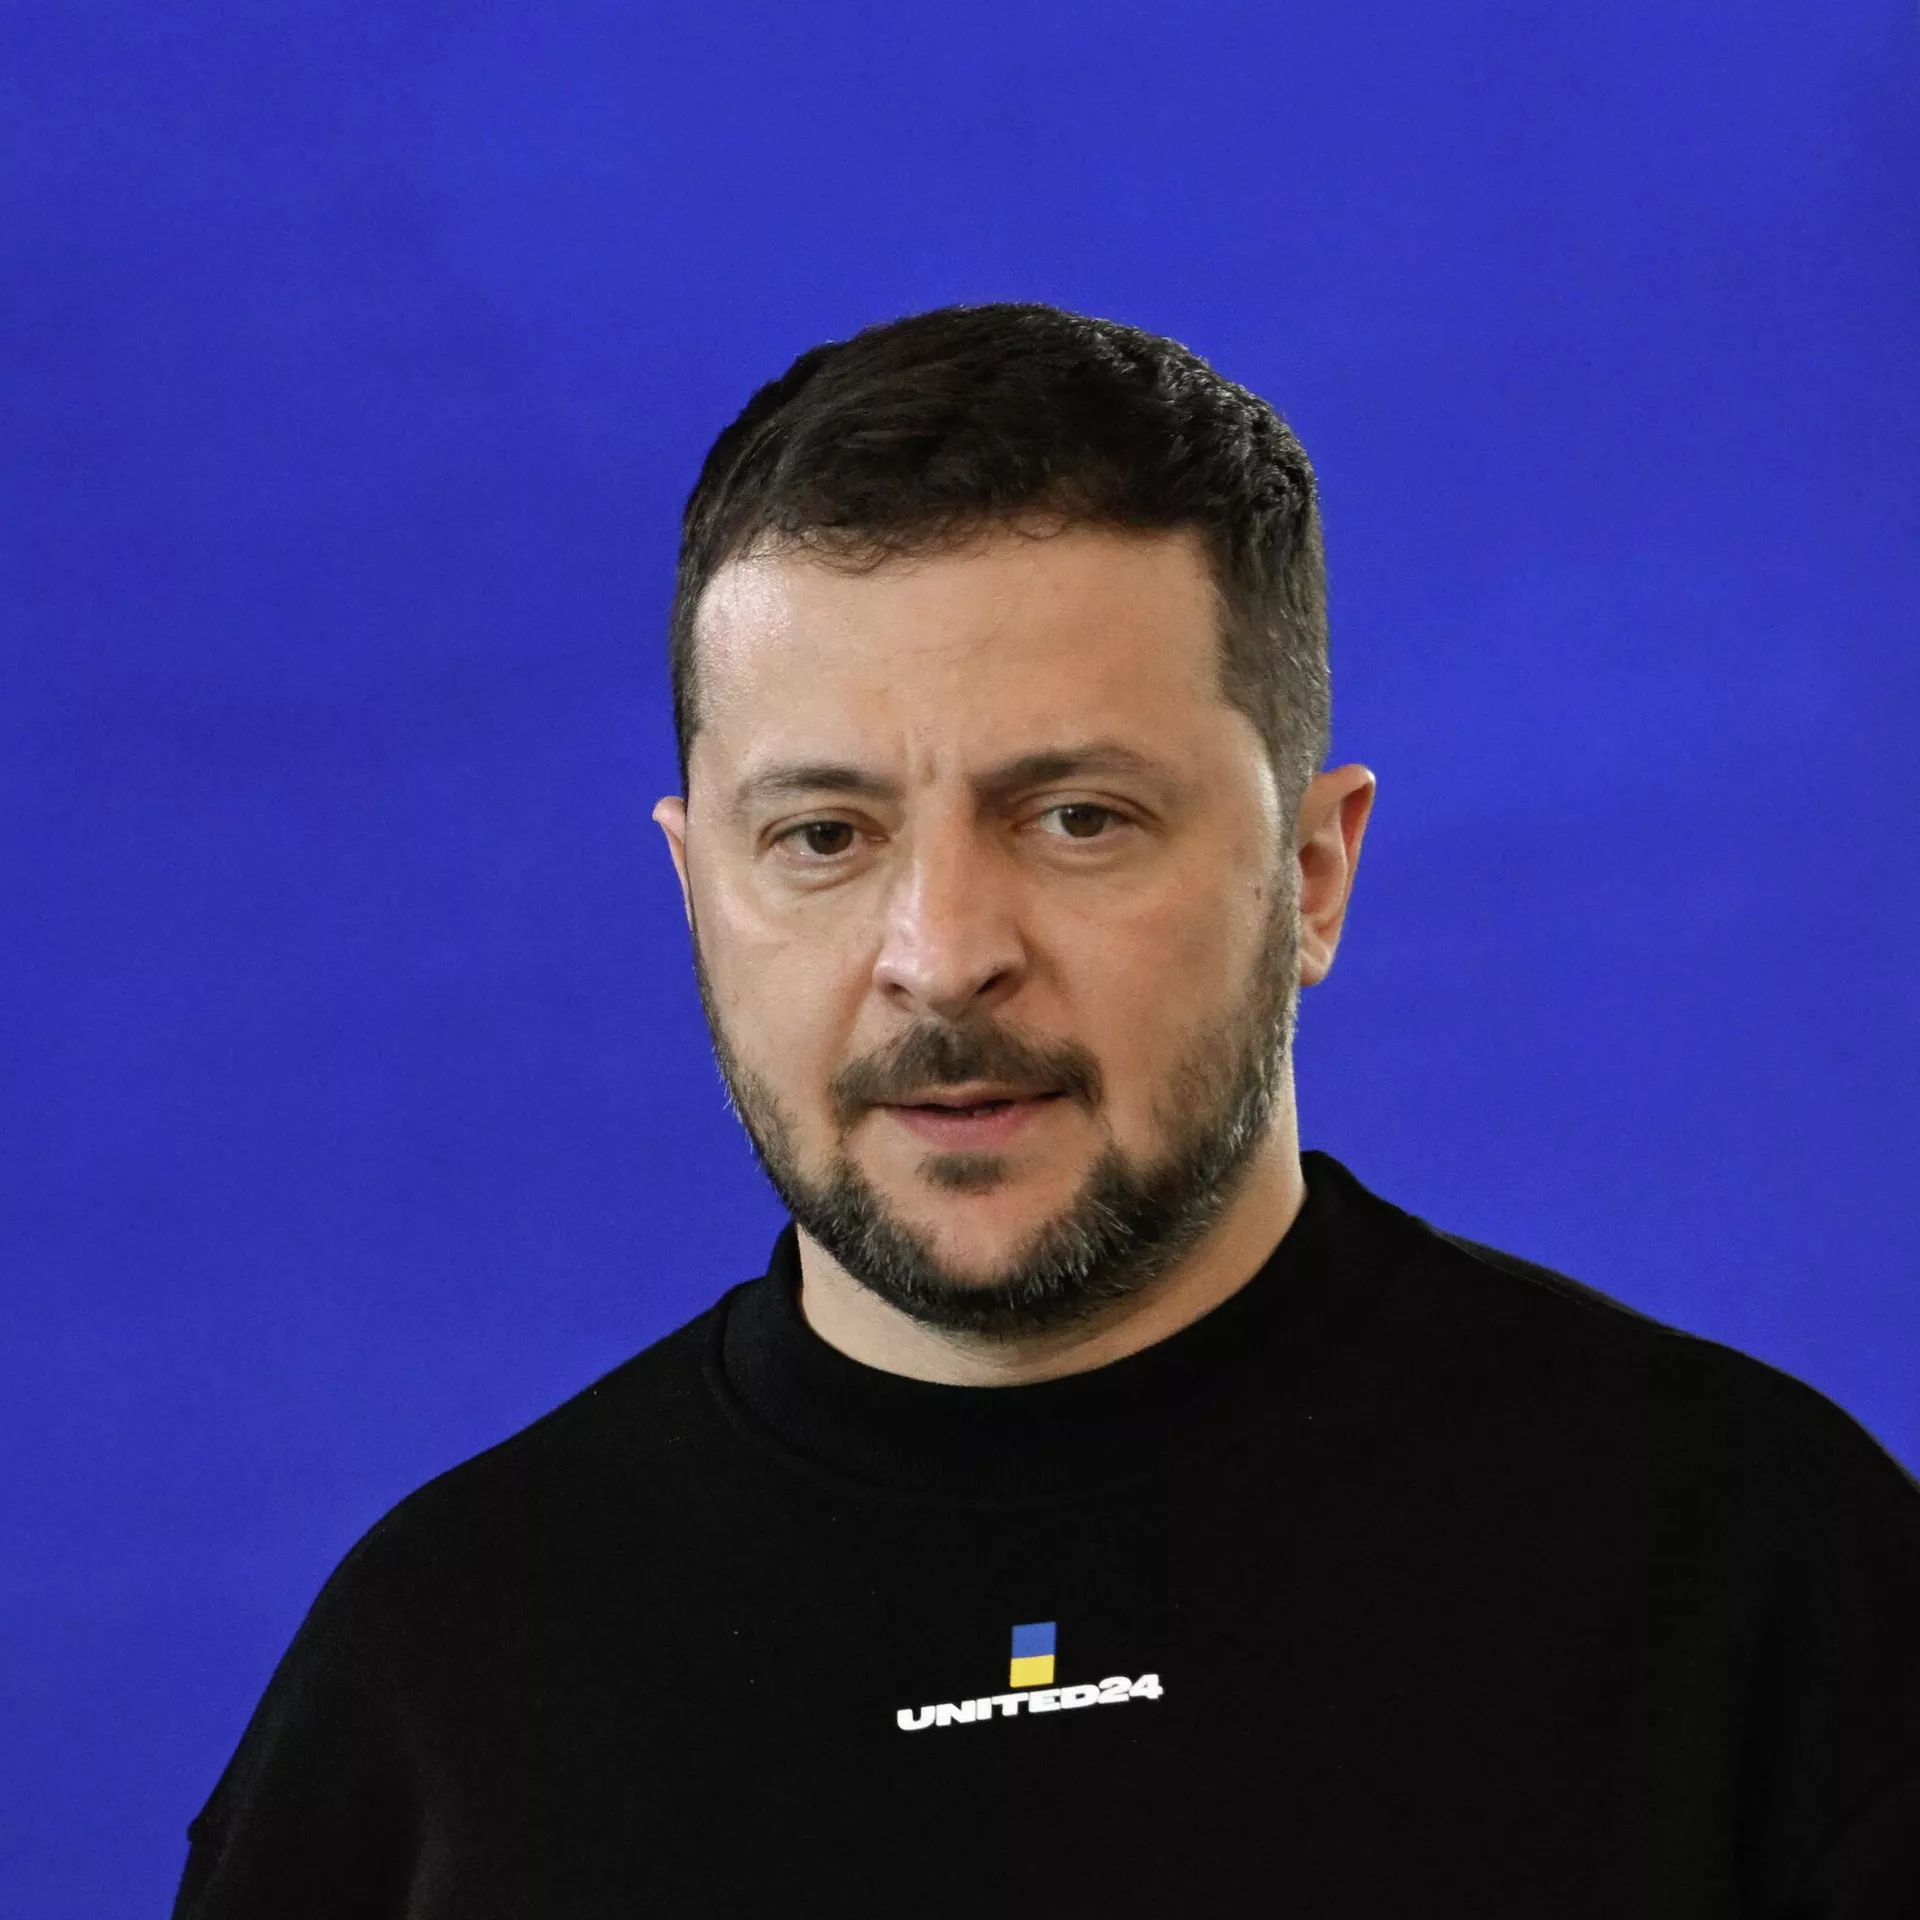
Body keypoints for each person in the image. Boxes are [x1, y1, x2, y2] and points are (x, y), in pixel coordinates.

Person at [172, 304, 1920, 1917]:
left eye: (1077, 817)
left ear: (1313, 876)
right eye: (823, 837)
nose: (943, 958)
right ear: (694, 889)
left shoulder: (1756, 1584)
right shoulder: (432, 1689)